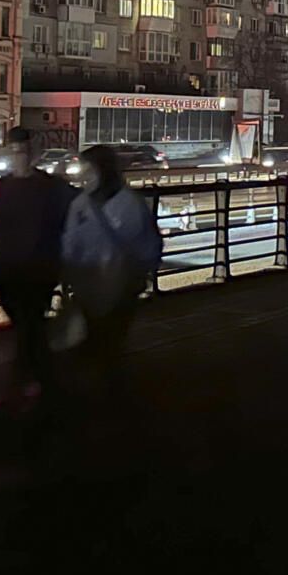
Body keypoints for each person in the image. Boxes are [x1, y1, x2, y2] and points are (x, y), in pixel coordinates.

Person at [0, 126, 77, 410]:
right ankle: (44, 385)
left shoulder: (48, 187)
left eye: (23, 151)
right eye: (15, 151)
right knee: (30, 328)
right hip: (14, 268)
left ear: (32, 153)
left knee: (28, 326)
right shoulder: (5, 187)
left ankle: (24, 388)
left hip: (36, 268)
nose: (19, 157)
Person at [61, 144, 162, 391]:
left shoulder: (128, 204)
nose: (83, 177)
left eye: (88, 170)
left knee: (108, 340)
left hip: (118, 285)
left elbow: (144, 245)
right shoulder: (82, 204)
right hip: (91, 285)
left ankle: (106, 390)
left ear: (102, 170)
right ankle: (105, 389)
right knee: (101, 340)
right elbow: (70, 243)